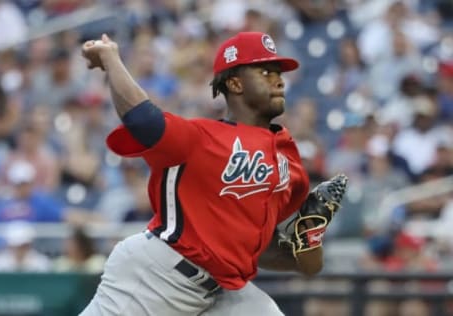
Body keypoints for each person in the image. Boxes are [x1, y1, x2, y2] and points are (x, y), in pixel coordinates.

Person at [79, 32, 348, 316]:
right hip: (155, 278)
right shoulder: (201, 137)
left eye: (278, 73)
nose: (279, 80)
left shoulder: (288, 161)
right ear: (235, 83)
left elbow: (272, 253)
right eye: (265, 72)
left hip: (220, 291)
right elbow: (143, 120)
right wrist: (111, 58)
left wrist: (309, 235)